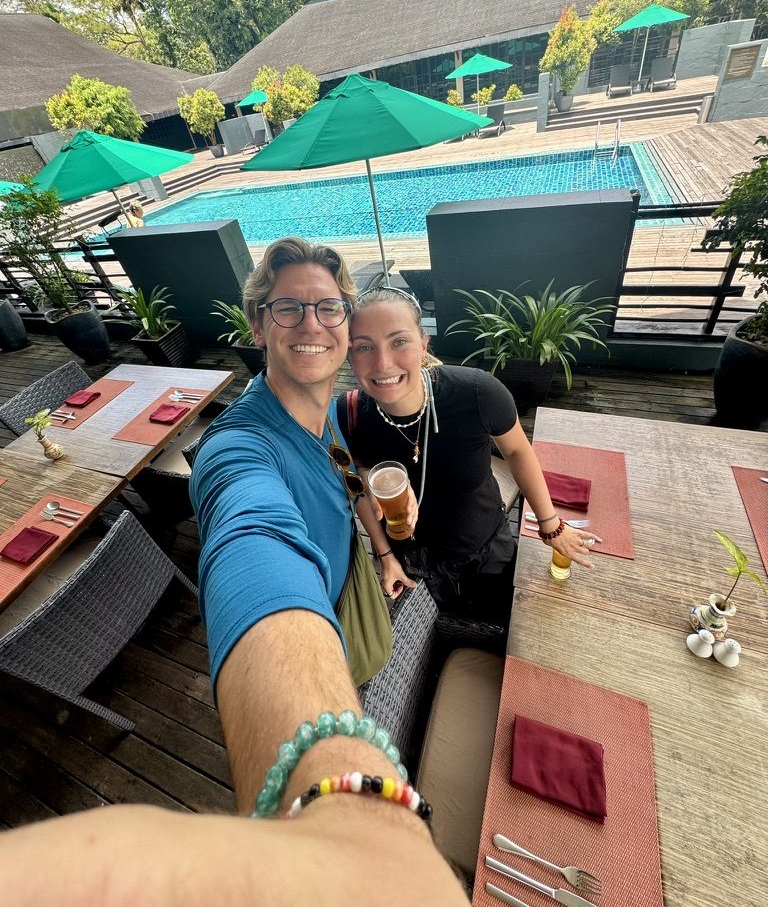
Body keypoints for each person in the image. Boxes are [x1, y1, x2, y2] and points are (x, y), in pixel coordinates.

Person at [0, 239, 466, 907]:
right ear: (257, 325)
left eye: (329, 308)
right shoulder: (239, 446)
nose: (311, 323)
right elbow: (251, 537)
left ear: (345, 322)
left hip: (350, 584)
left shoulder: (323, 406)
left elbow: (343, 473)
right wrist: (339, 803)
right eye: (288, 308)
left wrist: (385, 552)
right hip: (319, 619)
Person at [338, 286, 601, 626]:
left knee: (504, 625)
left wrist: (550, 525)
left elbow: (518, 450)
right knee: (441, 632)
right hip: (412, 563)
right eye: (364, 347)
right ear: (349, 354)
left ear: (423, 344)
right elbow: (358, 484)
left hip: (487, 552)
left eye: (399, 341)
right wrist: (385, 555)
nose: (383, 363)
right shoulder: (349, 413)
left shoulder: (477, 392)